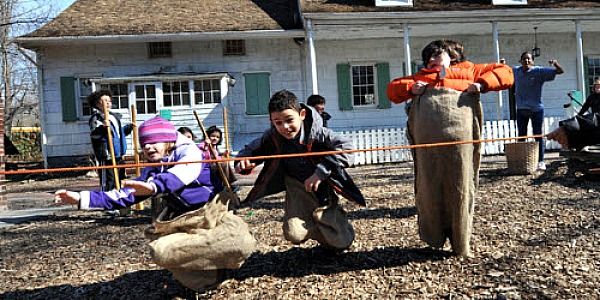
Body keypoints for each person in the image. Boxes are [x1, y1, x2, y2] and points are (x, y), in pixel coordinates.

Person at [55, 116, 256, 292]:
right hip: (180, 222)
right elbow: (123, 196)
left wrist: (152, 188)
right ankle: (210, 280)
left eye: (154, 141)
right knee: (162, 252)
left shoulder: (190, 152)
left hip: (214, 213)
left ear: (168, 140)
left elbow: (181, 175)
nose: (148, 147)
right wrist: (82, 198)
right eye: (144, 144)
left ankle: (223, 264)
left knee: (241, 244)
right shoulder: (153, 169)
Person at [387, 40, 514, 257]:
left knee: (461, 186)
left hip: (460, 142)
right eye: (429, 57)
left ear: (453, 55)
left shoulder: (470, 70)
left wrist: (482, 85)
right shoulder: (420, 77)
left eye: (438, 55)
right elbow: (392, 90)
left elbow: (506, 73)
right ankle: (434, 235)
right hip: (428, 145)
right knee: (429, 186)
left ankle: (461, 241)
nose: (433, 60)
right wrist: (410, 88)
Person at [235, 89, 365, 252]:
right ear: (272, 121)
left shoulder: (317, 133)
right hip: (296, 186)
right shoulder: (273, 136)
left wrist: (320, 172)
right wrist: (243, 161)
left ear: (302, 114)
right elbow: (250, 150)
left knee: (341, 242)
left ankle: (332, 229)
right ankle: (321, 232)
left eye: (289, 120)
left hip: (322, 188)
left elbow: (346, 147)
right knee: (294, 234)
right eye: (278, 122)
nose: (285, 127)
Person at [512, 51, 564, 171]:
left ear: (533, 61)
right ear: (520, 61)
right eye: (524, 59)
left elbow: (560, 71)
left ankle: (540, 161)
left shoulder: (539, 71)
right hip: (521, 109)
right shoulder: (516, 71)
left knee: (538, 135)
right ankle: (522, 160)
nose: (527, 61)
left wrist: (555, 64)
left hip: (536, 109)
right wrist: (501, 64)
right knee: (521, 135)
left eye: (529, 59)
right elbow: (503, 72)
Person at [87, 90, 133, 191]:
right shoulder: (96, 119)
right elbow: (95, 135)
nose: (108, 103)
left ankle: (120, 201)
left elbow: (118, 134)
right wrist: (103, 127)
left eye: (109, 101)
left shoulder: (114, 117)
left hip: (118, 154)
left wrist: (128, 128)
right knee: (109, 180)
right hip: (107, 155)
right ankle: (107, 202)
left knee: (121, 179)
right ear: (97, 104)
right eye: (104, 101)